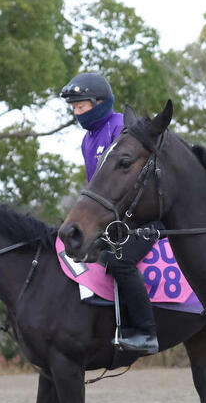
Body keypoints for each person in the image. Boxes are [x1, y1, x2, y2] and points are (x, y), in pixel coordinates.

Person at [60, 72, 159, 355]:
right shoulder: (87, 141)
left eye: (82, 106)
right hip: (115, 223)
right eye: (74, 108)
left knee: (118, 261)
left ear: (101, 102)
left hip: (144, 221)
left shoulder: (121, 129)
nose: (77, 112)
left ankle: (145, 331)